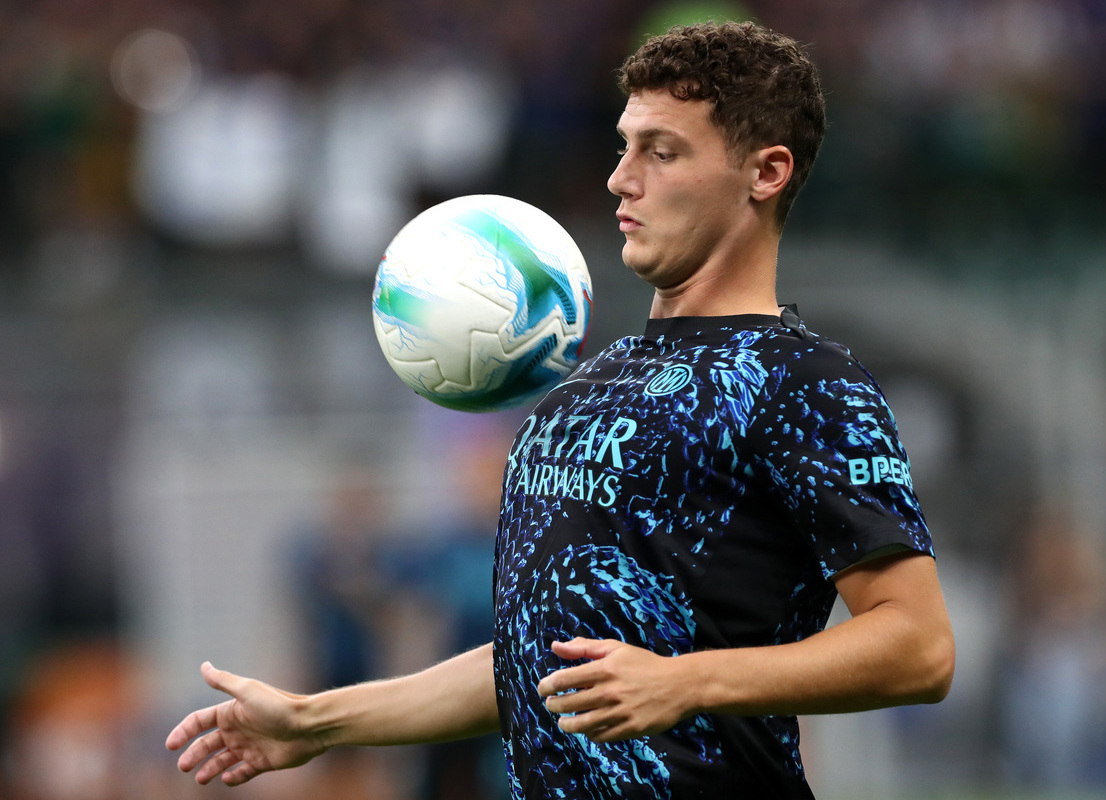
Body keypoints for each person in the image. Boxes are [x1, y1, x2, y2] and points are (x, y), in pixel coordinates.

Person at [166, 21, 954, 799]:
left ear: (766, 172)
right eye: (624, 144)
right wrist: (313, 721)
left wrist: (689, 681)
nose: (621, 177)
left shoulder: (804, 381)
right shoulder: (580, 389)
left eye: (662, 150)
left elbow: (918, 647)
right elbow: (534, 662)